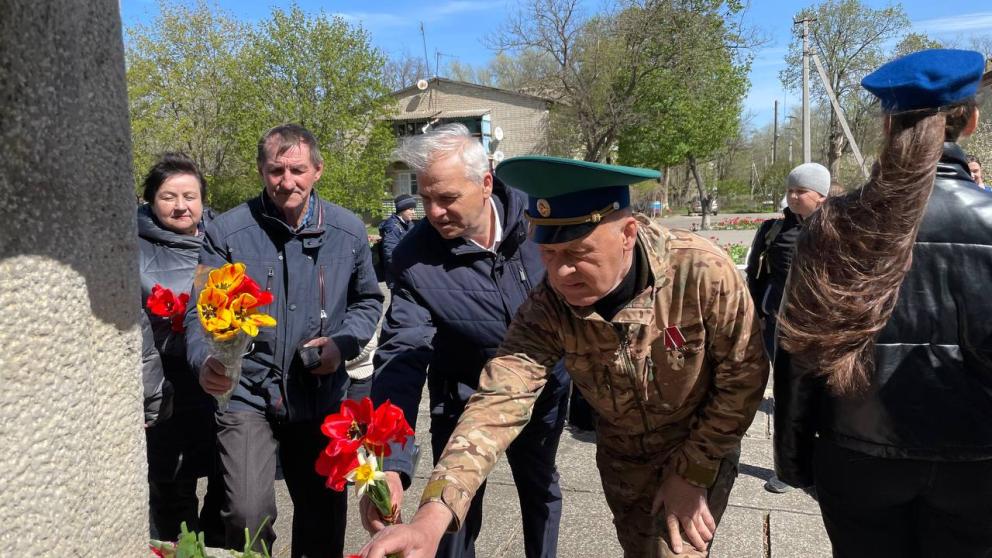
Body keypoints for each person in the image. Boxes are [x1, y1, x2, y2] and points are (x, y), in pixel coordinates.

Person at [359, 155, 768, 558]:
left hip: (699, 439)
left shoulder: (700, 273)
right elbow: (499, 400)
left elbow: (743, 379)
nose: (560, 274)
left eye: (577, 253)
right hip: (623, 456)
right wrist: (431, 519)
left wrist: (693, 472)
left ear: (627, 234)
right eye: (549, 255)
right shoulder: (549, 305)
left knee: (673, 550)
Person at [774, 49, 992, 557]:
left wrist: (793, 460)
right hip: (979, 464)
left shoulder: (831, 225)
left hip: (858, 456)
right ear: (971, 120)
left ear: (888, 123)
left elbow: (797, 354)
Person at [364, 124, 570, 558]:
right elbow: (401, 354)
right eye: (425, 199)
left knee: (540, 490)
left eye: (447, 198)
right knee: (451, 510)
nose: (434, 212)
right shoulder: (414, 258)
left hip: (544, 391)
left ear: (485, 183)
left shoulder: (542, 223)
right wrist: (390, 463)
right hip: (462, 397)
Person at [185, 124, 384, 557]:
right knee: (246, 513)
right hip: (247, 394)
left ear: (317, 171)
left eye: (297, 169)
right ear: (261, 170)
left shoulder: (348, 232)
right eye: (276, 170)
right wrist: (205, 361)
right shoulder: (228, 233)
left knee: (322, 519)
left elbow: (368, 300)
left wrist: (343, 344)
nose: (286, 181)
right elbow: (200, 308)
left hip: (320, 397)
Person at [137, 153, 224, 545]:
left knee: (231, 485)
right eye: (168, 196)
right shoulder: (132, 247)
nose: (180, 206)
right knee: (174, 491)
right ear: (151, 201)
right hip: (165, 384)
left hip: (218, 377)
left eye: (189, 196)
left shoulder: (222, 240)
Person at [745, 162, 831, 495]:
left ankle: (822, 465)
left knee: (823, 399)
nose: (793, 197)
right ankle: (788, 469)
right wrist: (756, 310)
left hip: (822, 330)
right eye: (790, 190)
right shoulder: (773, 229)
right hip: (777, 328)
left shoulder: (837, 229)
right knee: (787, 398)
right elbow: (755, 272)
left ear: (821, 196)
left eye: (801, 191)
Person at [378, 193, 417, 287]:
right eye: (410, 209)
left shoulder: (409, 224)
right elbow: (391, 256)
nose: (414, 212)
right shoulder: (392, 227)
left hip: (409, 275)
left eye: (414, 209)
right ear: (402, 210)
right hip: (398, 278)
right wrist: (405, 271)